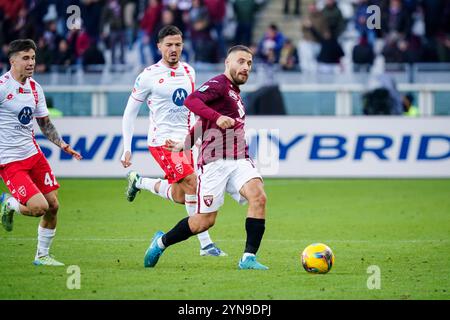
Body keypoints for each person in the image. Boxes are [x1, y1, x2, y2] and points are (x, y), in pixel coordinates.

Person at [144, 45, 269, 270]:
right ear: (227, 63)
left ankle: (248, 258)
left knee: (258, 197)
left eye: (249, 63)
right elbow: (191, 101)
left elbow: (203, 124)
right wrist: (218, 116)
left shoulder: (235, 93)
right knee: (203, 222)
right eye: (240, 61)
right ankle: (161, 242)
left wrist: (186, 143)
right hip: (213, 164)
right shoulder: (219, 84)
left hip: (239, 159)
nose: (246, 67)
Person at [121, 25, 226, 258]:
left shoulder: (189, 71)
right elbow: (130, 112)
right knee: (193, 183)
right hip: (163, 142)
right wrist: (127, 148)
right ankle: (206, 245)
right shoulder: (148, 76)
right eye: (169, 45)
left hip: (186, 142)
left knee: (181, 195)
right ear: (159, 46)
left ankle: (139, 182)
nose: (173, 49)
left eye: (178, 44)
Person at [0, 39, 82, 266]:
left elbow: (44, 123)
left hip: (34, 155)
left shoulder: (35, 88)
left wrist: (63, 145)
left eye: (33, 58)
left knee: (53, 206)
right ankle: (9, 204)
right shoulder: (2, 87)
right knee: (38, 207)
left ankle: (42, 256)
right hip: (10, 160)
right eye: (25, 58)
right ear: (13, 61)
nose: (31, 62)